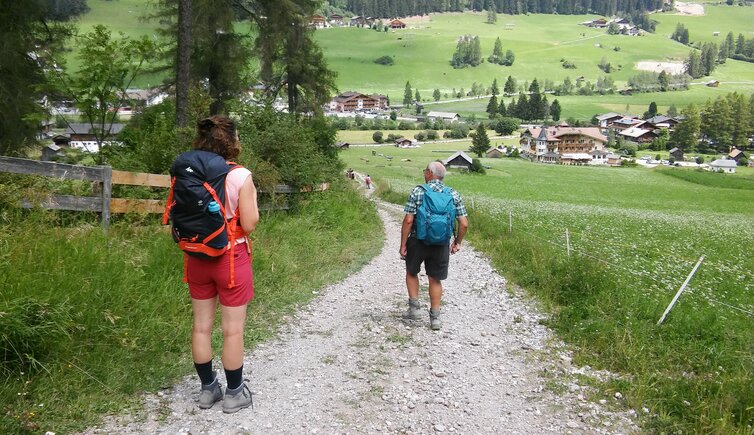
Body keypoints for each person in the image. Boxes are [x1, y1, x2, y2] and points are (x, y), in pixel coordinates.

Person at [185, 116, 259, 413]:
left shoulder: (189, 173)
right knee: (232, 330)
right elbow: (250, 223)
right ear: (232, 141)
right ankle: (234, 394)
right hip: (230, 258)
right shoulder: (240, 176)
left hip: (196, 257)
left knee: (201, 327)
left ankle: (207, 390)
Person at [399, 161, 468, 330]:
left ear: (430, 173)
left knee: (412, 272)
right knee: (435, 279)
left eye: (425, 171)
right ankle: (435, 318)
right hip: (441, 243)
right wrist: (457, 242)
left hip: (417, 240)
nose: (424, 173)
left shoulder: (418, 191)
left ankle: (414, 310)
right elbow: (464, 223)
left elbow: (409, 220)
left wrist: (403, 244)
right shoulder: (453, 194)